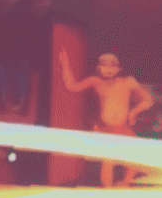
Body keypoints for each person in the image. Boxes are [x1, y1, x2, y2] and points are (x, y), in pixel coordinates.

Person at [58, 49, 154, 188]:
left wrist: (134, 112)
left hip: (123, 129)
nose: (108, 69)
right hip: (106, 129)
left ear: (119, 69)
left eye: (112, 65)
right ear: (99, 68)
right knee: (108, 161)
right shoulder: (95, 81)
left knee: (134, 160)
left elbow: (148, 100)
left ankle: (125, 184)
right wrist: (66, 65)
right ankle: (109, 191)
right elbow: (72, 86)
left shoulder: (127, 82)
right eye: (105, 65)